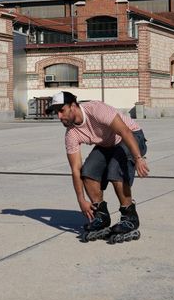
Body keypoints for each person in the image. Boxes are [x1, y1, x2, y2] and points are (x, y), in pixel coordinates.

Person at [45, 91, 149, 242]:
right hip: (107, 144)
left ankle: (129, 217)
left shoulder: (96, 109)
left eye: (62, 111)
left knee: (115, 169)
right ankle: (101, 217)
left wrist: (138, 158)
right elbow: (76, 169)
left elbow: (125, 131)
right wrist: (81, 200)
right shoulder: (71, 134)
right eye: (56, 113)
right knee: (88, 172)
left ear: (73, 106)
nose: (59, 116)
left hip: (132, 136)